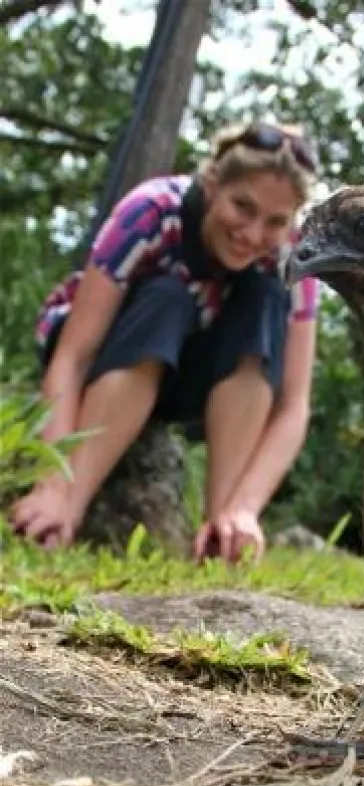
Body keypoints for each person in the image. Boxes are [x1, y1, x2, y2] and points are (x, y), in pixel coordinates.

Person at [10, 121, 320, 563]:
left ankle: (220, 531)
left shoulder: (293, 257)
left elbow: (294, 404)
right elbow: (73, 357)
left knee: (264, 298)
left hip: (191, 375)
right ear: (213, 184)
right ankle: (65, 514)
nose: (253, 234)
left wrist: (245, 508)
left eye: (275, 221)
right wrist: (52, 484)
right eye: (242, 207)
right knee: (169, 297)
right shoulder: (152, 210)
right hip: (112, 348)